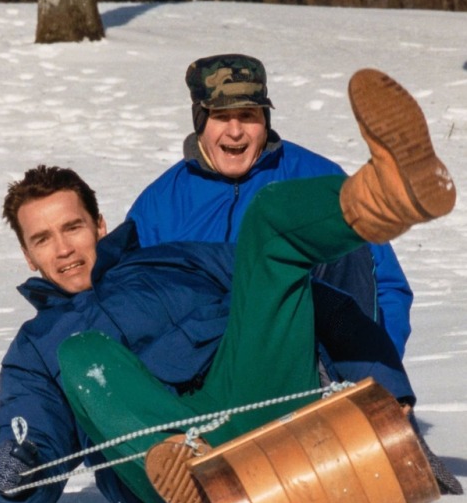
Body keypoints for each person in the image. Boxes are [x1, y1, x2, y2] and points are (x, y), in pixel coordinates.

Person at [0, 69, 461, 503]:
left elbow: (314, 301)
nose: (63, 248)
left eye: (72, 227)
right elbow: (27, 427)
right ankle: (197, 471)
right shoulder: (35, 347)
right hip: (158, 466)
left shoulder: (172, 259)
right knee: (83, 353)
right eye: (42, 239)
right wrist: (15, 466)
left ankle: (386, 195)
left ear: (99, 225)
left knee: (267, 223)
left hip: (249, 399)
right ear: (28, 256)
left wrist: (388, 407)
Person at [127, 54, 413, 360]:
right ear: (200, 120)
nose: (235, 131)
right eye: (221, 117)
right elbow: (131, 303)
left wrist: (384, 370)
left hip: (310, 364)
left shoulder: (316, 177)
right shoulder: (159, 205)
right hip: (207, 369)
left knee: (338, 241)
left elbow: (386, 284)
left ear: (265, 119)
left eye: (248, 115)